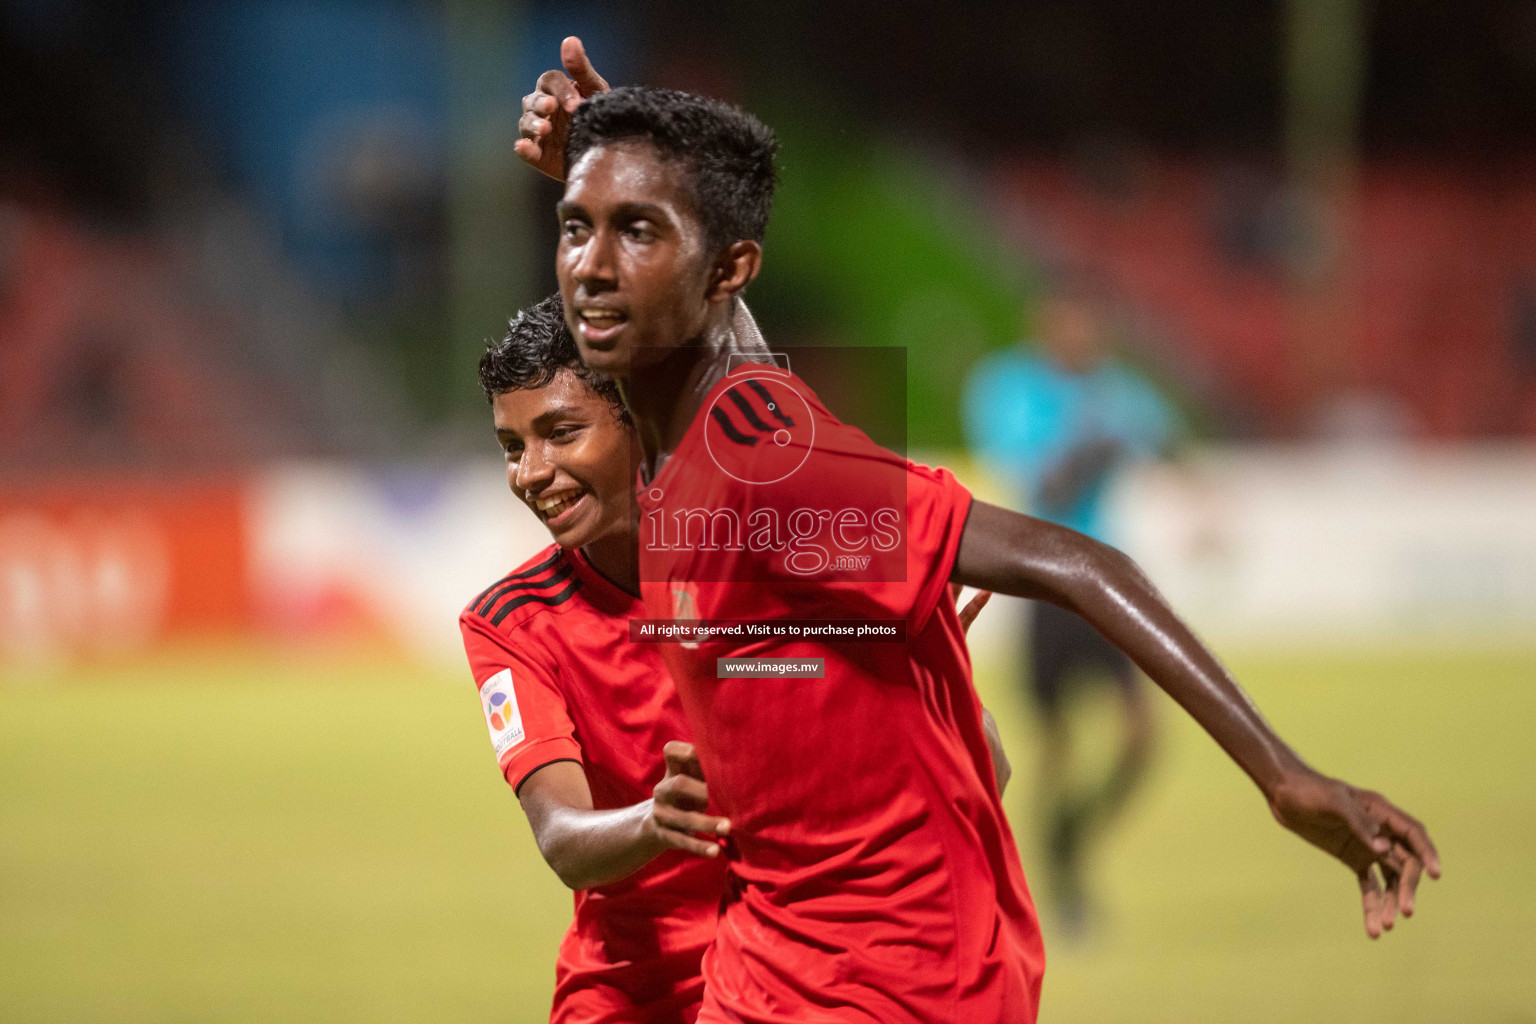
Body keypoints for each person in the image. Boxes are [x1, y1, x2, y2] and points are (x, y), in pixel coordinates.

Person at [520, 43, 1438, 1024]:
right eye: (577, 226)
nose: (591, 266)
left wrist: (1285, 776)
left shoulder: (769, 479)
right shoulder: (709, 422)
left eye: (637, 232)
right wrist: (633, 156)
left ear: (728, 270)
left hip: (881, 986)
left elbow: (1080, 560)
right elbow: (717, 319)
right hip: (773, 961)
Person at [461, 294, 1002, 1024]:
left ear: (637, 417)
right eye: (512, 446)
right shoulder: (512, 623)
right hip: (634, 994)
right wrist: (658, 818)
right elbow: (562, 838)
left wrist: (924, 684)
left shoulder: (782, 561)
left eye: (561, 432)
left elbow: (985, 773)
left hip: (805, 978)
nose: (532, 472)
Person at [963, 280, 1177, 933]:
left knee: (1142, 737)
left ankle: (1070, 840)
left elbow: (1166, 442)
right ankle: (1060, 881)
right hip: (1044, 585)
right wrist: (1092, 441)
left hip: (1104, 583)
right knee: (1055, 749)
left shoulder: (1117, 388)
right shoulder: (1010, 388)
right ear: (1045, 325)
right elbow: (1042, 482)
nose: (1082, 339)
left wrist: (1204, 498)